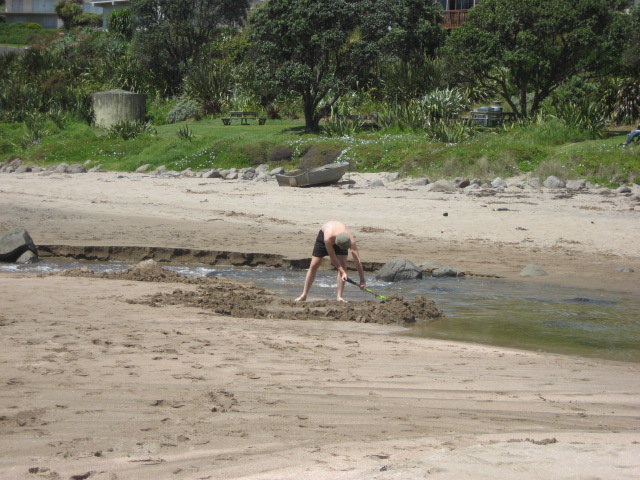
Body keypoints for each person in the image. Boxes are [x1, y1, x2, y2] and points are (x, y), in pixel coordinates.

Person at [295, 221, 366, 302]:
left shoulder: (350, 239)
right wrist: (342, 272)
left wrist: (362, 280)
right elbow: (333, 258)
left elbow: (357, 260)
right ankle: (304, 294)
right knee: (314, 265)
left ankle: (339, 297)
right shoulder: (327, 238)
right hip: (324, 236)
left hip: (340, 238)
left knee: (343, 265)